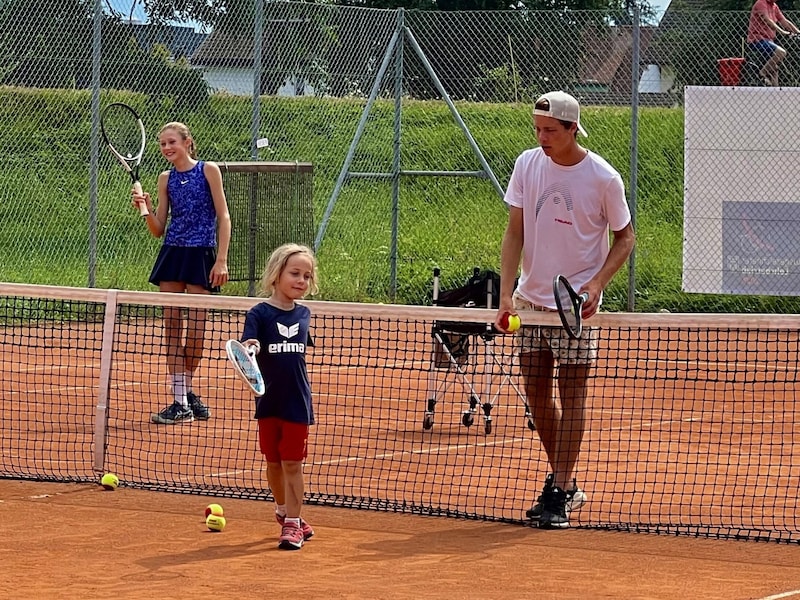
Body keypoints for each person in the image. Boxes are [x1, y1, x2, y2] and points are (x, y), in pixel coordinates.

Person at [494, 91, 635, 529]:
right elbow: (514, 231)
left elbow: (625, 238)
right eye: (538, 129)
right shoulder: (526, 164)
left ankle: (560, 484)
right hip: (531, 303)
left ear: (573, 128)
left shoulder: (604, 179)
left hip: (575, 308)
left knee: (572, 394)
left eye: (551, 130)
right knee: (536, 395)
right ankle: (565, 485)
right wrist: (505, 293)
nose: (542, 138)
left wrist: (596, 284)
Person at [132, 122, 231, 425]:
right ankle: (180, 401)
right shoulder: (165, 179)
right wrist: (146, 209)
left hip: (202, 254)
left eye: (171, 142)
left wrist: (222, 260)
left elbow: (224, 216)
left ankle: (185, 393)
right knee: (172, 329)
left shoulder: (208, 170)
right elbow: (158, 229)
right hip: (173, 254)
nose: (166, 148)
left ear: (188, 142)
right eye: (162, 144)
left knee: (197, 334)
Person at [241, 243, 319, 550]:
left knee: (292, 464)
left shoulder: (304, 313)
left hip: (297, 402)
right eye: (295, 273)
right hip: (268, 401)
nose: (301, 280)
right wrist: (251, 349)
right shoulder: (259, 313)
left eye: (307, 276)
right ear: (276, 275)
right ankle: (286, 512)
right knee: (273, 464)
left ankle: (292, 525)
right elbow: (251, 342)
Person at [747, 0, 799, 86]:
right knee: (781, 52)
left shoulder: (774, 6)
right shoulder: (761, 3)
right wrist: (782, 32)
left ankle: (775, 90)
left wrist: (798, 32)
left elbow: (784, 21)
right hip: (757, 40)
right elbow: (767, 20)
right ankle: (761, 74)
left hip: (769, 41)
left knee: (774, 68)